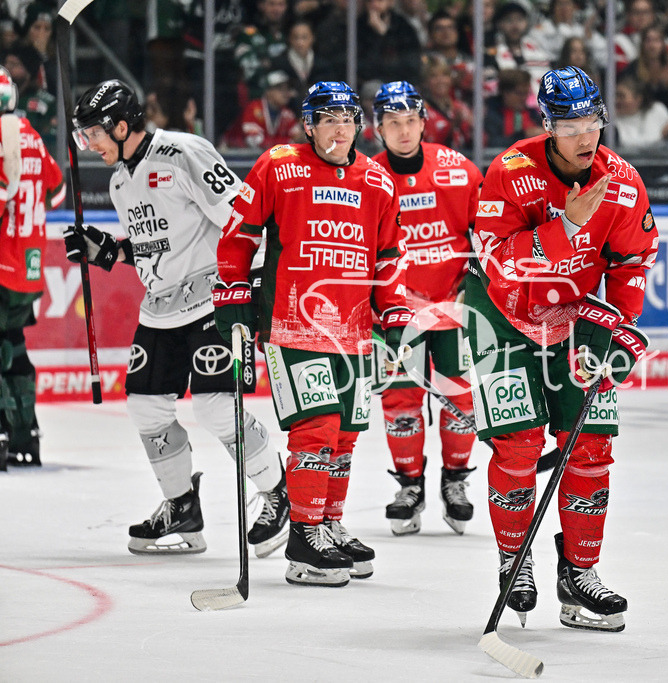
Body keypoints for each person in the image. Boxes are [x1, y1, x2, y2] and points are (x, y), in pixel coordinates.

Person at [63, 80, 290, 557]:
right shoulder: (120, 181)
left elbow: (243, 218)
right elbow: (151, 249)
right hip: (162, 306)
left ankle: (277, 494)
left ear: (122, 126)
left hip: (215, 298)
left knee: (213, 407)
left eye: (93, 135)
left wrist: (249, 290)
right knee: (145, 406)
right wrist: (105, 251)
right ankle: (182, 506)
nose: (89, 146)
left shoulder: (183, 153)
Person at [468, 65, 657, 631]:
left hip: (574, 318)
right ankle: (514, 557)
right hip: (501, 316)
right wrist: (568, 228)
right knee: (519, 445)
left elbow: (632, 263)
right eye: (570, 123)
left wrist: (619, 327)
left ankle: (579, 573)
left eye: (592, 121)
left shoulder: (622, 182)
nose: (584, 136)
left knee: (592, 445)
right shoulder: (511, 171)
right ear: (547, 125)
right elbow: (497, 260)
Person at [215, 81, 409, 586]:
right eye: (328, 120)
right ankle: (303, 539)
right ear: (309, 125)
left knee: (344, 433)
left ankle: (326, 521)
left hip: (353, 328)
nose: (339, 129)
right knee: (317, 427)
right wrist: (233, 302)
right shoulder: (279, 165)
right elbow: (238, 237)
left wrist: (395, 316)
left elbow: (387, 259)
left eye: (347, 119)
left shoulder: (378, 182)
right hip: (293, 322)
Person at [370, 80, 484, 535]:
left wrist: (471, 291)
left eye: (410, 121)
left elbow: (488, 239)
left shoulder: (459, 170)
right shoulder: (368, 176)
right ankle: (409, 485)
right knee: (400, 400)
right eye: (392, 123)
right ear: (377, 128)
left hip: (452, 309)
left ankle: (455, 482)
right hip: (395, 315)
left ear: (423, 122)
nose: (403, 131)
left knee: (459, 397)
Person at [0, 65, 63, 469]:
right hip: (30, 265)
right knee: (15, 342)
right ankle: (27, 434)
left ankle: (3, 431)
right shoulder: (32, 137)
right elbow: (55, 193)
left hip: (2, 262)